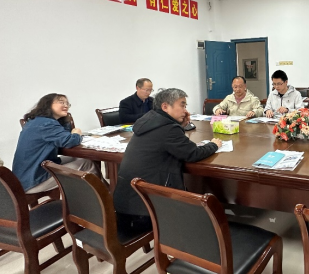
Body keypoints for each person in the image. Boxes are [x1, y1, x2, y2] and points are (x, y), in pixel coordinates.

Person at [113, 88, 221, 230]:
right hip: (146, 210)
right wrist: (214, 144)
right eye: (182, 105)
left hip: (128, 203)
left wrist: (180, 126)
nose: (185, 110)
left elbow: (170, 142)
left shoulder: (150, 120)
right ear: (165, 106)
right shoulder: (168, 129)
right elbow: (193, 153)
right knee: (201, 218)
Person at [12, 93, 100, 192]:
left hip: (28, 174)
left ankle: (86, 193)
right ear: (48, 104)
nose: (66, 106)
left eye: (67, 103)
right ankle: (103, 194)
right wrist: (77, 133)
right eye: (61, 102)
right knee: (86, 163)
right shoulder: (46, 124)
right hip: (34, 180)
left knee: (79, 158)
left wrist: (64, 122)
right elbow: (70, 141)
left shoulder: (37, 121)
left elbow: (64, 136)